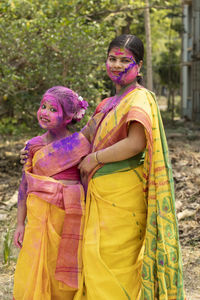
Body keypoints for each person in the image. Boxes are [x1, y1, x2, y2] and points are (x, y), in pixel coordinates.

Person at [20, 35, 185, 300]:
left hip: (123, 201)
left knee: (116, 264)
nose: (117, 65)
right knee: (93, 261)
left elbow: (135, 143)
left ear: (139, 66)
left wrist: (96, 159)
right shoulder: (107, 105)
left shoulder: (140, 100)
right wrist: (38, 153)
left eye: (125, 60)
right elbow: (83, 139)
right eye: (112, 59)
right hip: (97, 201)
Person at [13, 86, 90, 300]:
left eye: (52, 109)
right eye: (43, 106)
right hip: (38, 219)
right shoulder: (33, 145)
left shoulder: (80, 145)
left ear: (68, 117)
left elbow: (86, 182)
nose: (44, 112)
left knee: (62, 268)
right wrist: (20, 223)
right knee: (37, 265)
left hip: (69, 218)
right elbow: (24, 184)